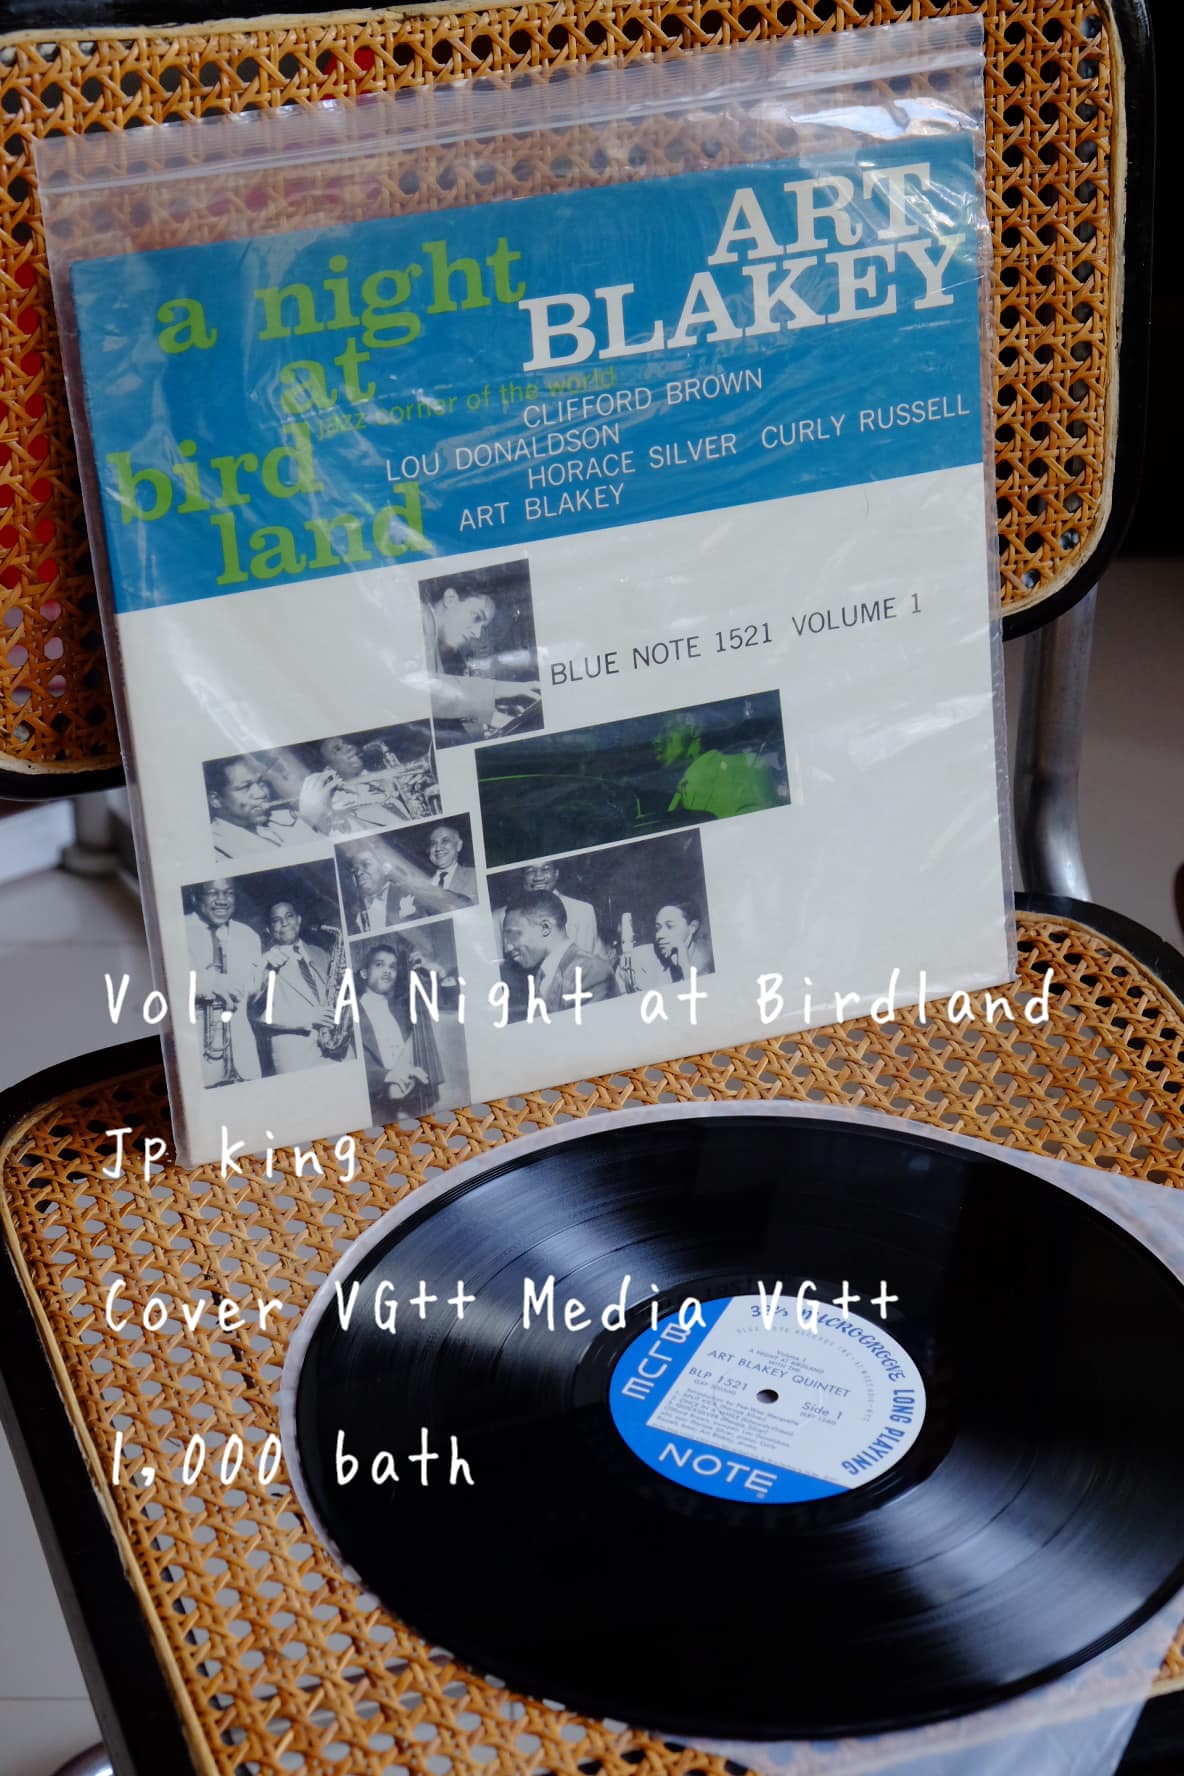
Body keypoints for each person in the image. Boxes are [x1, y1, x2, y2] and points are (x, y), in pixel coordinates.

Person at [419, 582, 540, 734]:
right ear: (450, 598)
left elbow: (439, 687)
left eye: (482, 627)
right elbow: (429, 695)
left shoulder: (430, 631)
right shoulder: (421, 619)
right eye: (476, 617)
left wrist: (504, 691)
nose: (476, 634)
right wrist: (494, 716)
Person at [184, 878, 263, 1085]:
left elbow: (253, 995)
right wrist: (209, 983)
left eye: (228, 893)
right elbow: (167, 984)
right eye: (213, 893)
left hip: (244, 1058)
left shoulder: (248, 935)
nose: (222, 900)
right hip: (199, 1058)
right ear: (195, 898)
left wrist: (265, 977)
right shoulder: (177, 929)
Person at [357, 940, 444, 1122]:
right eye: (379, 964)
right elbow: (353, 1065)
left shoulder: (402, 1007)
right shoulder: (351, 1013)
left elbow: (434, 1002)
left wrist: (428, 970)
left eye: (393, 967)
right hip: (376, 1106)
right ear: (364, 973)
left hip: (411, 1097)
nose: (387, 970)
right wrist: (387, 1076)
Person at [253, 900, 341, 1074]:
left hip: (338, 1048)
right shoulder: (263, 963)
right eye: (276, 920)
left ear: (299, 920)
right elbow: (256, 1014)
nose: (284, 923)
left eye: (289, 916)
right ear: (269, 929)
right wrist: (308, 1016)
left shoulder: (320, 953)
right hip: (296, 1057)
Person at [501, 889, 617, 1016]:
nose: (507, 948)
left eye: (514, 936)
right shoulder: (542, 974)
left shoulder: (591, 972)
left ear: (545, 928)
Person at [652, 710, 781, 820]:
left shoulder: (745, 768)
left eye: (666, 729)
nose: (656, 740)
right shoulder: (678, 793)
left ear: (694, 730)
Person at [207, 755, 338, 859]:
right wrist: (307, 819)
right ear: (215, 800)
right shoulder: (216, 850)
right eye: (245, 787)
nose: (261, 793)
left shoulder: (284, 816)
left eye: (261, 782)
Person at [343, 838, 471, 936]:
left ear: (385, 868)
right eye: (354, 870)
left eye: (365, 865)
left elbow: (461, 903)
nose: (358, 873)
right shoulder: (351, 912)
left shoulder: (411, 892)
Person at [497, 860, 599, 957]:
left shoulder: (582, 911)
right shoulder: (500, 916)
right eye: (531, 871)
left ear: (556, 873)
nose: (538, 877)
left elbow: (585, 962)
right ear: (523, 876)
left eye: (545, 869)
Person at [618, 898, 715, 992]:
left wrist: (684, 966)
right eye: (658, 928)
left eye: (670, 926)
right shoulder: (635, 958)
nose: (659, 935)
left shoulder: (707, 965)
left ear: (692, 927)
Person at [427, 824, 477, 902]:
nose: (438, 848)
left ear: (458, 845)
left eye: (445, 841)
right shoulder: (420, 883)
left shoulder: (475, 876)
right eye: (433, 843)